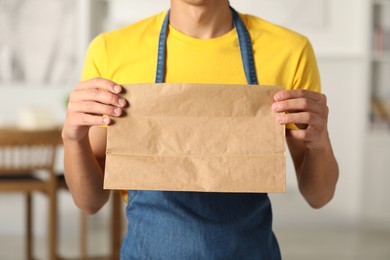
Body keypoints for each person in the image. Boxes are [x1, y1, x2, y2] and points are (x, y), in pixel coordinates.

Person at [62, 0, 339, 259]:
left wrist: (320, 140)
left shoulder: (289, 51)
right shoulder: (112, 51)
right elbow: (90, 202)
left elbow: (319, 196)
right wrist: (73, 139)